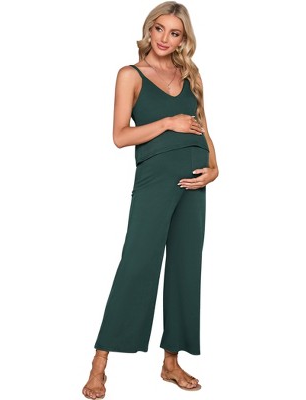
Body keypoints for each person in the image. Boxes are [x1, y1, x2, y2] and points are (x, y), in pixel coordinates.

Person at [82, 1, 219, 398]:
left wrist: (215, 166)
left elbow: (202, 125)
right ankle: (99, 362)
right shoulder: (131, 75)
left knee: (185, 267)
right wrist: (168, 122)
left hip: (195, 180)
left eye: (174, 33)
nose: (164, 39)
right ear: (149, 29)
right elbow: (120, 136)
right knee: (137, 263)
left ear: (183, 39)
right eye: (159, 29)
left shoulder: (190, 73)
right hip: (156, 178)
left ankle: (171, 361)